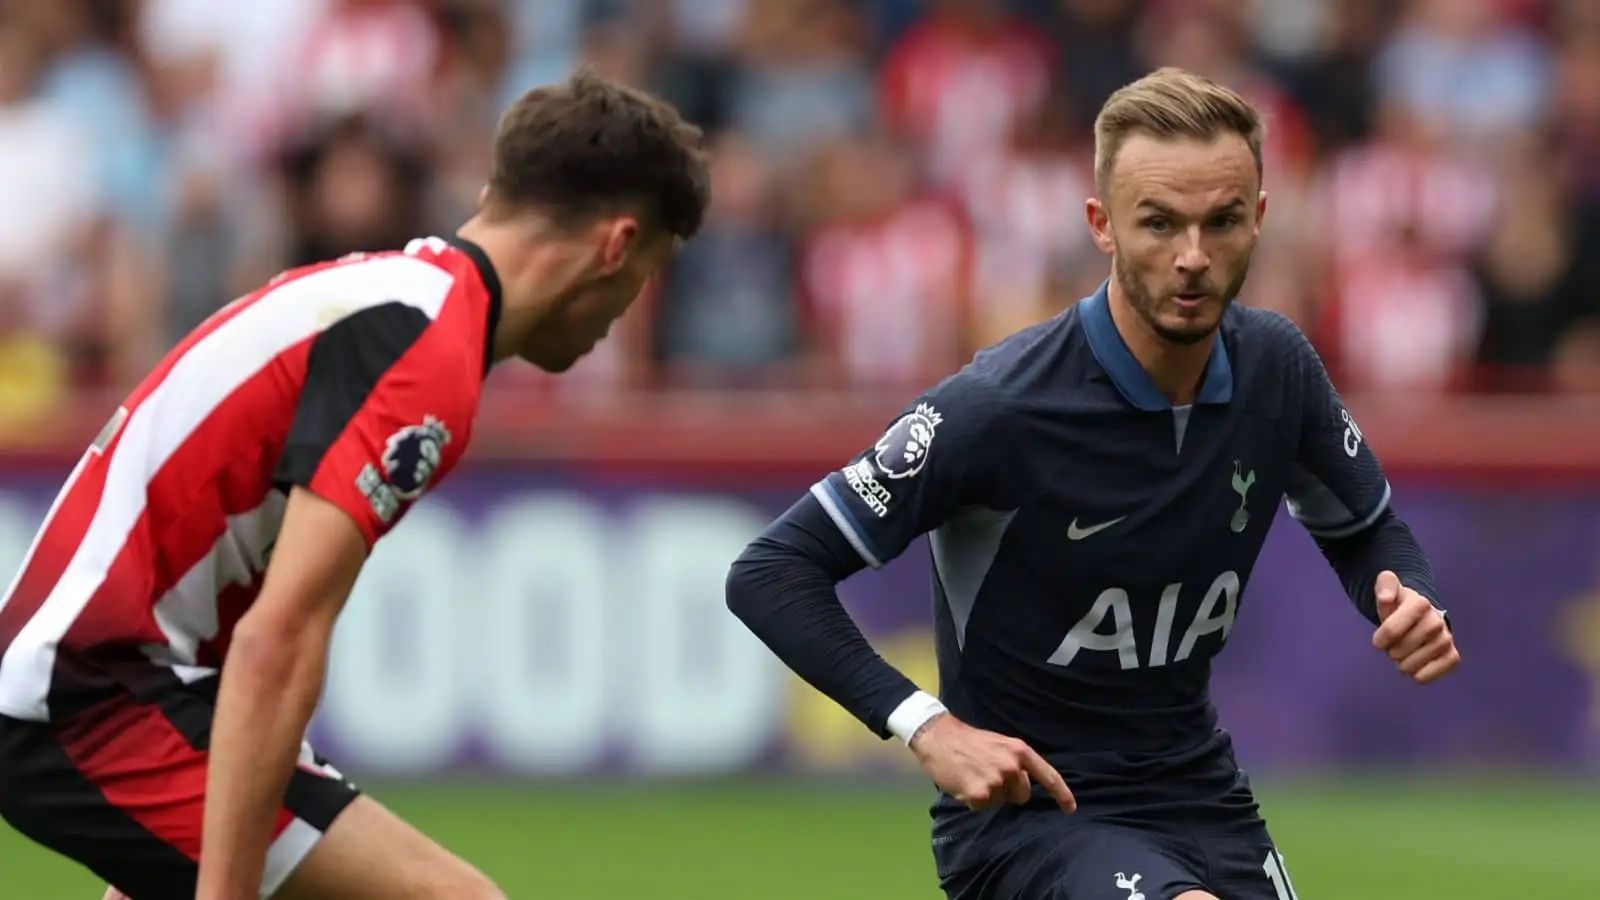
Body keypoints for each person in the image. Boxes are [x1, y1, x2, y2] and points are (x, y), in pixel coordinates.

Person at [725, 67, 1459, 900]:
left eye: (1220, 223)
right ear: (1101, 226)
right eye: (1159, 224)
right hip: (1031, 819)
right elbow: (771, 571)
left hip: (1203, 797)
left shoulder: (1277, 370)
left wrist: (1406, 596)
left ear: (1258, 221)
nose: (1192, 258)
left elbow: (1367, 531)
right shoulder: (999, 407)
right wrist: (925, 726)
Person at [0, 68, 707, 900]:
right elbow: (281, 637)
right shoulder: (423, 352)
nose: (628, 305)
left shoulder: (391, 299)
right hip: (92, 700)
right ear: (617, 246)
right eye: (648, 273)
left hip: (107, 688)